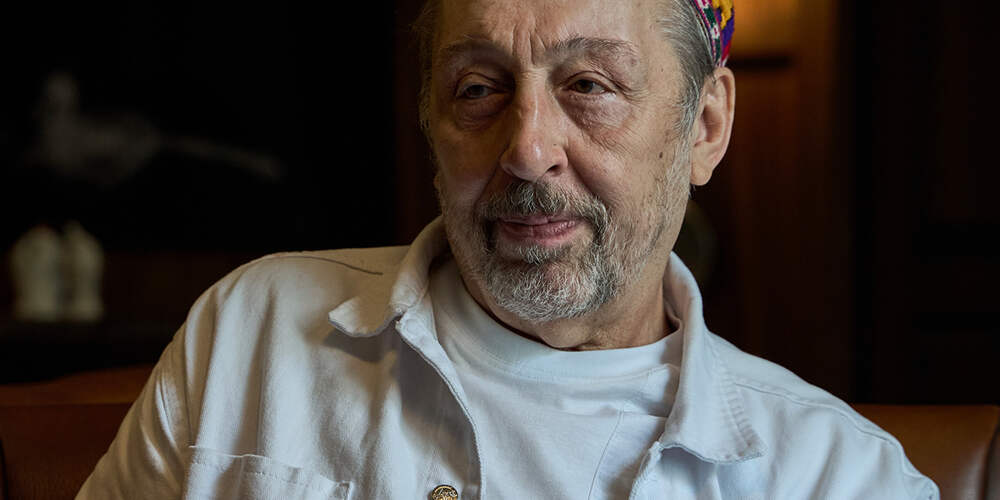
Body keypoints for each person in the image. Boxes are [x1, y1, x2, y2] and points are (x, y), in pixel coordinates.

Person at [79, 0, 938, 498]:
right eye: (479, 88)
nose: (526, 150)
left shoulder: (838, 476)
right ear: (429, 120)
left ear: (705, 127)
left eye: (589, 85)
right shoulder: (250, 333)